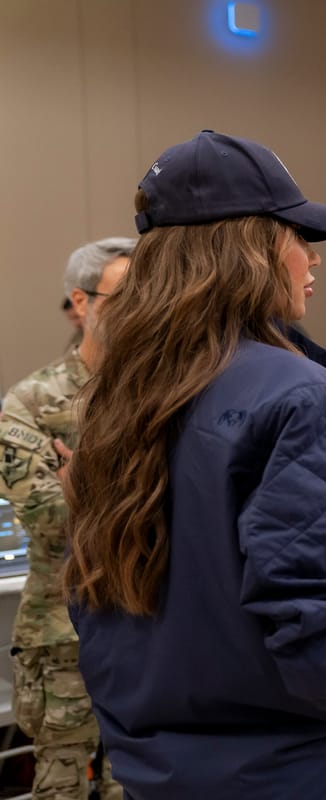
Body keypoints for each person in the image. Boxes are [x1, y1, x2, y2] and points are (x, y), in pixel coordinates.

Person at [62, 130, 326, 800]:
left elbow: (91, 593)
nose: (313, 259)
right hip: (283, 766)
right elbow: (311, 615)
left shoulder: (115, 395)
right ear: (248, 249)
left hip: (155, 765)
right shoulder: (296, 394)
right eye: (297, 235)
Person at [1, 237, 134, 800]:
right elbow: (49, 519)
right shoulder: (30, 402)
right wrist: (133, 490)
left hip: (149, 630)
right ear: (81, 304)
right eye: (123, 295)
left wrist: (83, 480)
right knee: (63, 790)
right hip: (62, 636)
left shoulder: (164, 394)